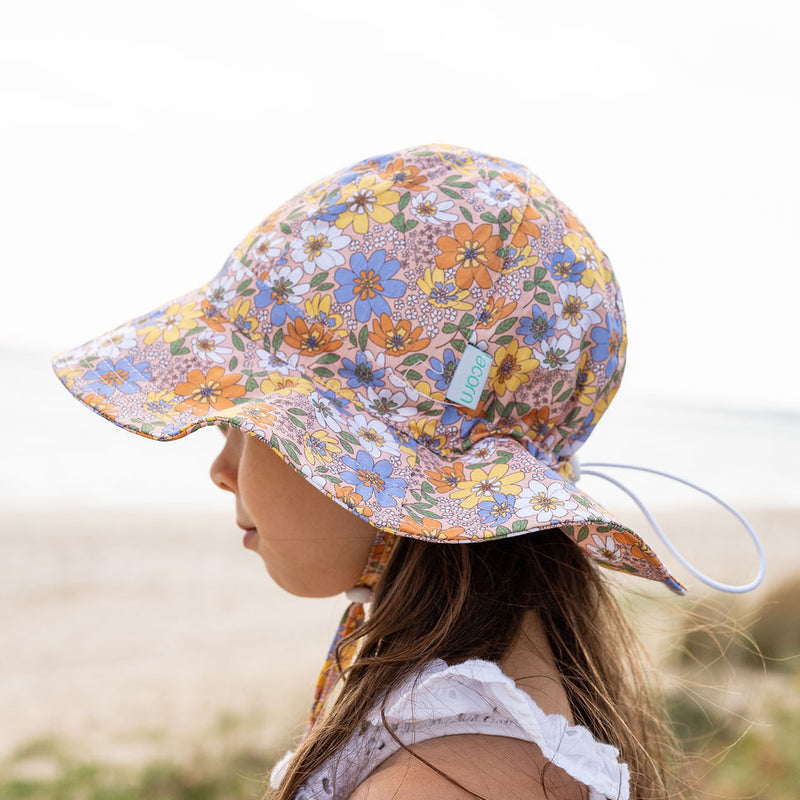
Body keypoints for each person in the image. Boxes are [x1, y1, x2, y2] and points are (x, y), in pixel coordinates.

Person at [53, 142, 712, 799]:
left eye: (245, 424)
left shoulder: (440, 781)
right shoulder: (470, 736)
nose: (221, 470)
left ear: (390, 472)